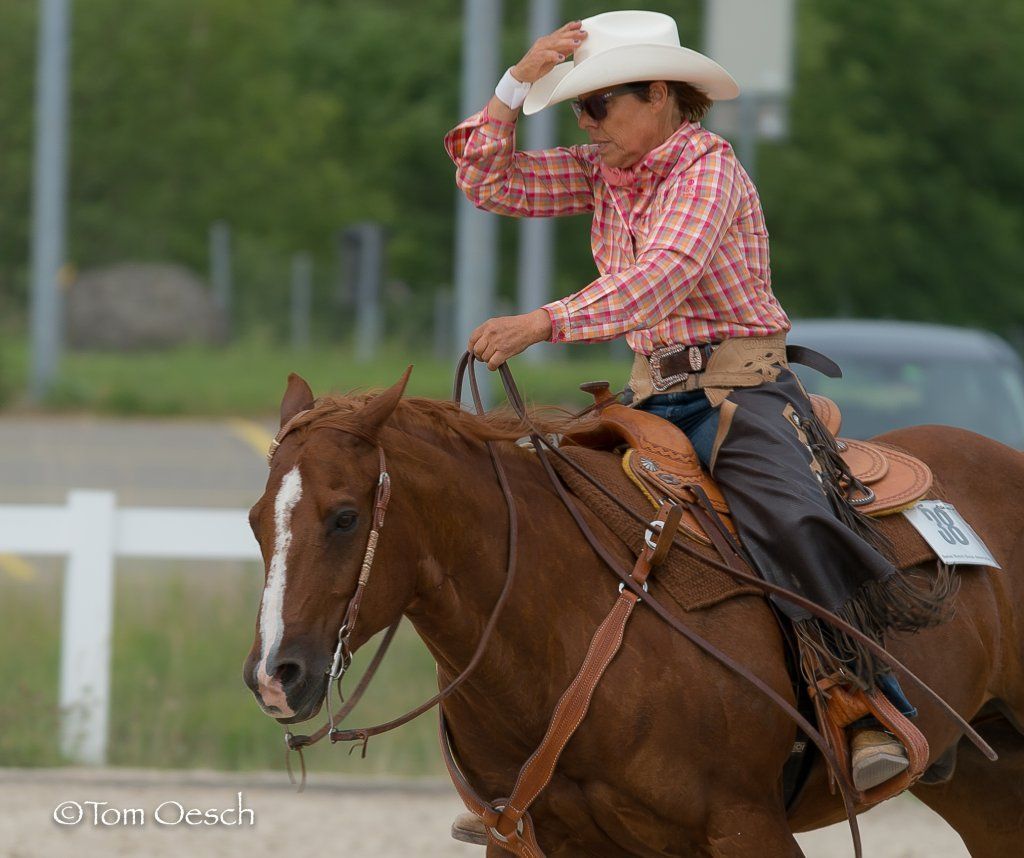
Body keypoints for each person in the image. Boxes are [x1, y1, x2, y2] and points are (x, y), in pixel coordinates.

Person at [446, 13, 949, 836]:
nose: (586, 124)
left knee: (790, 517)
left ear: (662, 97)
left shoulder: (709, 173)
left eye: (599, 105)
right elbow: (488, 183)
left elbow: (657, 281)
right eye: (578, 109)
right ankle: (549, 755)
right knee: (551, 518)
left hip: (739, 393)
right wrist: (511, 85)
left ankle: (863, 705)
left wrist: (542, 321)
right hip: (649, 397)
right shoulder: (611, 168)